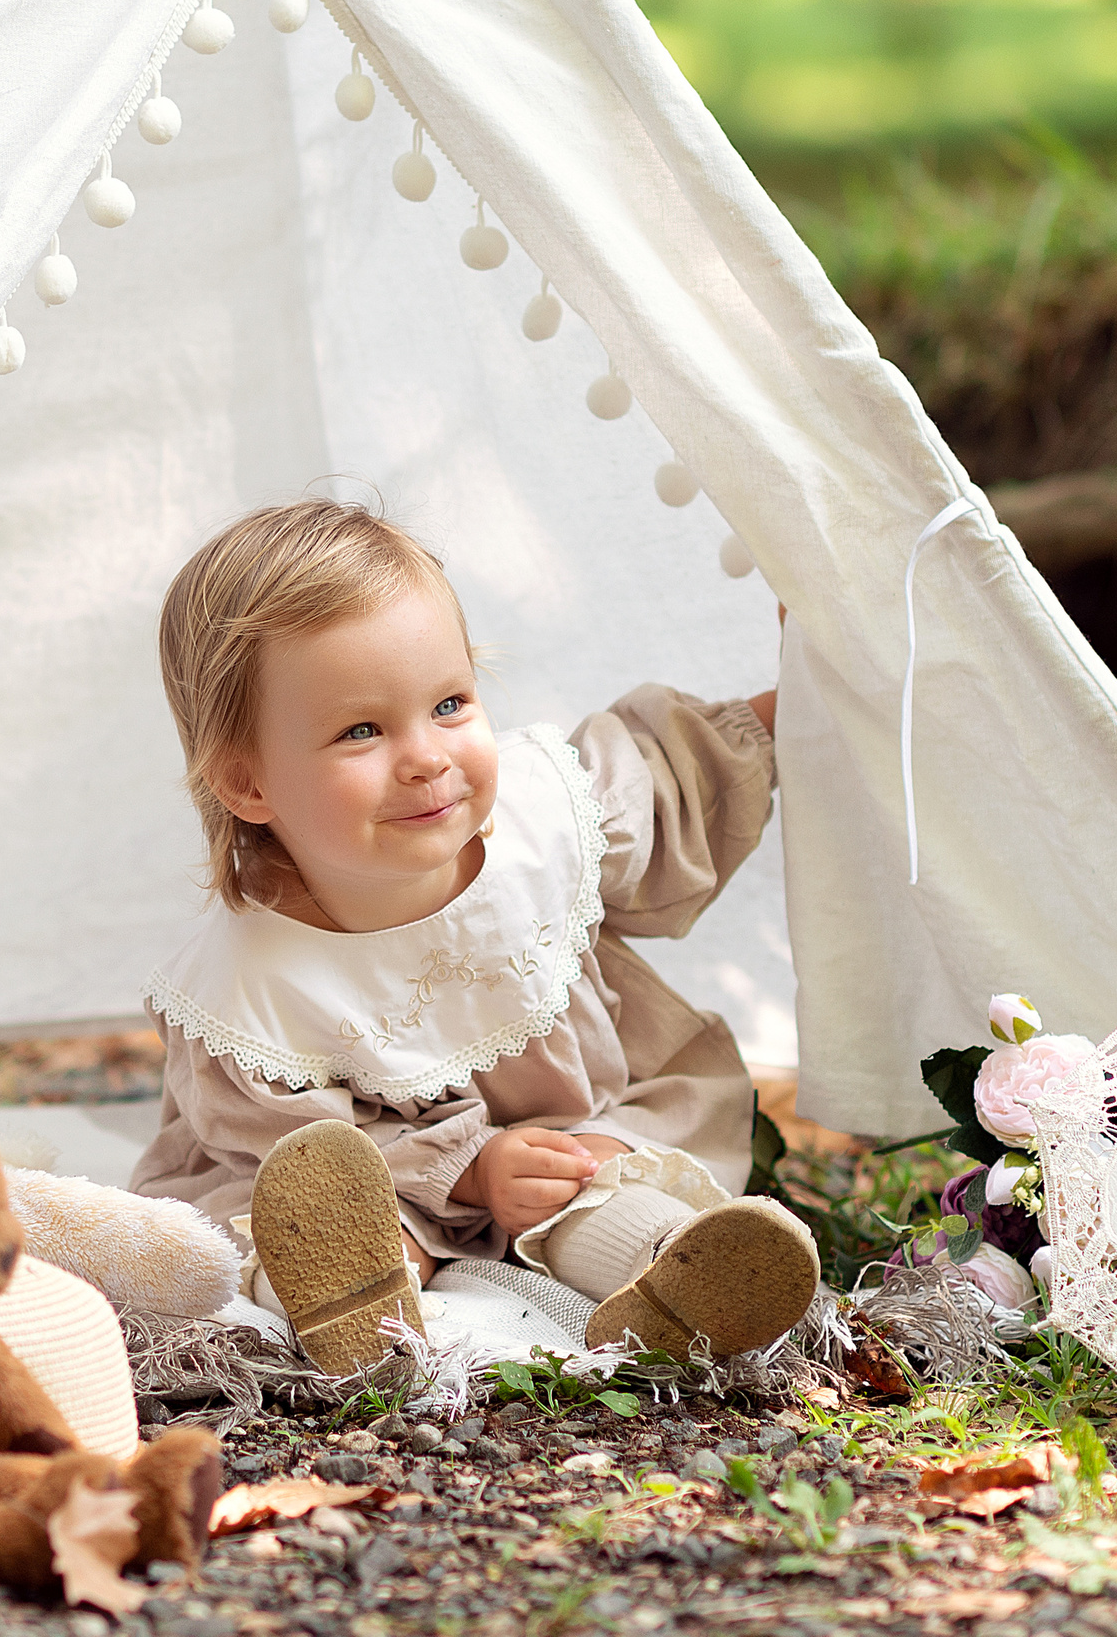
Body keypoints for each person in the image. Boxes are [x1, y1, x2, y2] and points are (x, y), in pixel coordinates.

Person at [128, 498, 819, 1373]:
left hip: (577, 1122)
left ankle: (673, 1277)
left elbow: (677, 781)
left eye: (450, 703)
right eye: (362, 731)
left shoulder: (542, 820)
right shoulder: (249, 984)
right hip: (386, 1175)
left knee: (595, 1177)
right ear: (248, 783)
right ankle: (350, 1297)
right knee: (293, 1218)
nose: (426, 756)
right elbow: (289, 1147)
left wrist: (792, 698)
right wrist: (466, 1167)